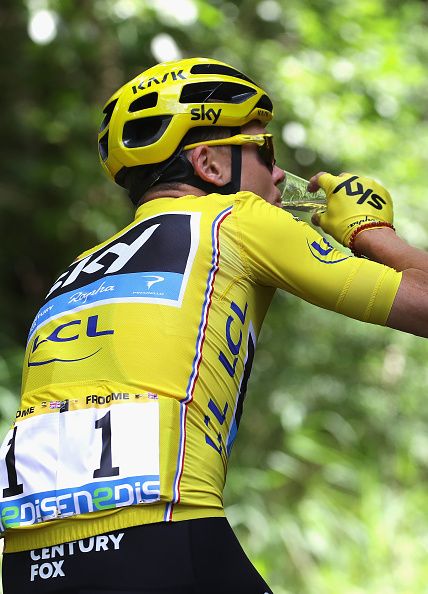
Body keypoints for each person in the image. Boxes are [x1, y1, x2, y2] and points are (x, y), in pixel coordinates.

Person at [1, 57, 427, 594]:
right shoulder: (238, 217)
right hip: (165, 538)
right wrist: (372, 231)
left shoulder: (75, 271)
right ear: (208, 163)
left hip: (30, 562)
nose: (277, 175)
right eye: (263, 149)